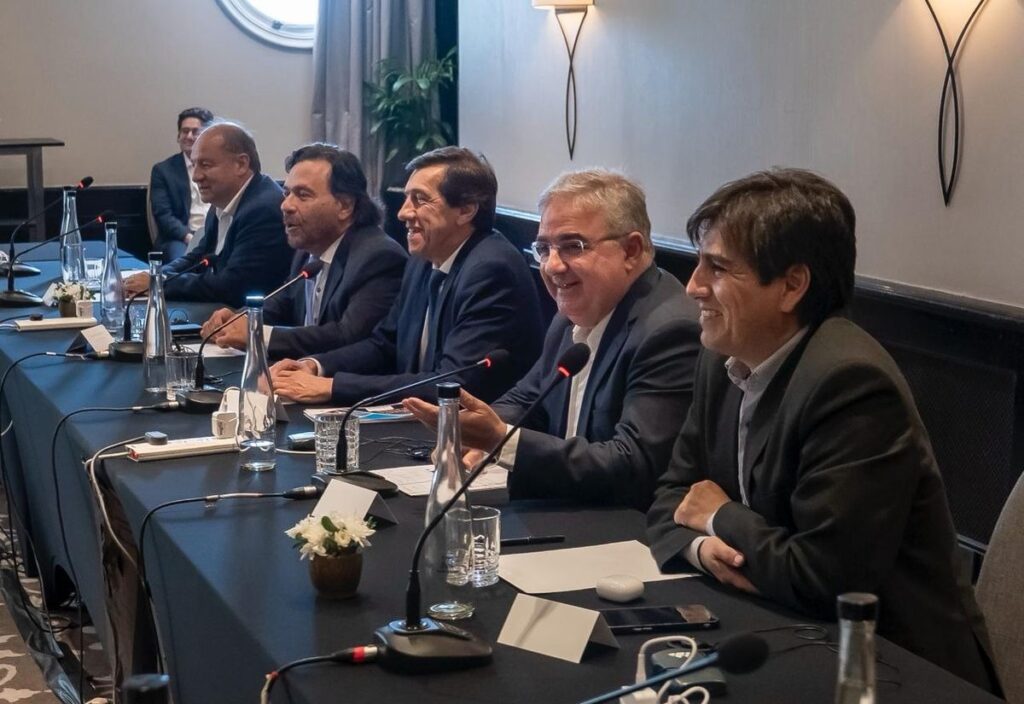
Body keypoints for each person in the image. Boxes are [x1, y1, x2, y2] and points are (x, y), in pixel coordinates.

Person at [646, 168, 997, 691]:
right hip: (781, 630)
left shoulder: (850, 384)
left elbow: (825, 579)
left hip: (894, 669)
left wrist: (719, 516)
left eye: (717, 267)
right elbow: (669, 500)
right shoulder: (720, 357)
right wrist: (702, 548)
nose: (693, 286)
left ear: (792, 285)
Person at [403, 169, 700, 510]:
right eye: (544, 249)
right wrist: (471, 427)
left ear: (630, 250)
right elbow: (528, 398)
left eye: (573, 246)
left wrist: (501, 440)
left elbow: (633, 465)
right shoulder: (569, 316)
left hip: (624, 527)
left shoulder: (669, 331)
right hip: (566, 508)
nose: (552, 266)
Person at [270, 146, 543, 405]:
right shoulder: (423, 259)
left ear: (466, 210)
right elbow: (384, 344)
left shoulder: (491, 270)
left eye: (420, 200)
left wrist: (332, 387)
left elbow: (453, 383)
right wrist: (316, 366)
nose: (403, 213)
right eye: (406, 198)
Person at [200, 143, 406, 359]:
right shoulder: (308, 248)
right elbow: (282, 303)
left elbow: (348, 336)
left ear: (345, 206)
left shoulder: (379, 257)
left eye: (303, 195)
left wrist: (257, 333)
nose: (285, 205)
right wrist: (240, 319)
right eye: (287, 193)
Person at [125, 121, 292, 308]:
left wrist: (159, 283)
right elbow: (197, 257)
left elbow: (234, 285)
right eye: (194, 164)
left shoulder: (263, 209)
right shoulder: (222, 199)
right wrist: (155, 275)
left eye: (205, 165)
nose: (196, 176)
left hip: (249, 315)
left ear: (241, 164)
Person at [149, 107, 214, 260]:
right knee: (180, 261)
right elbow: (164, 215)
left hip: (215, 233)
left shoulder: (219, 167)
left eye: (195, 131)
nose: (189, 136)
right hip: (180, 238)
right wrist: (191, 238)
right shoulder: (163, 170)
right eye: (185, 131)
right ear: (178, 136)